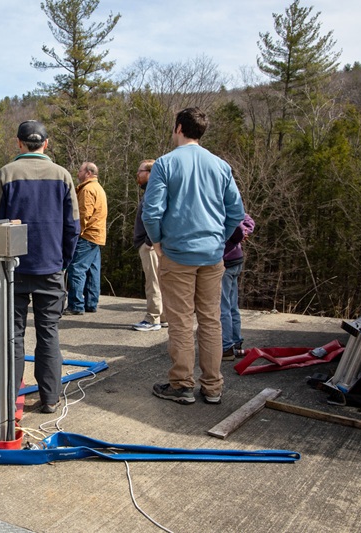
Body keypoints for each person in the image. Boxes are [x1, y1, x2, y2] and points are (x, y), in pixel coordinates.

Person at [142, 107, 245, 405]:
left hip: (177, 254)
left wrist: (158, 243)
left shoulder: (165, 164)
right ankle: (213, 387)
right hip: (212, 255)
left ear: (178, 128)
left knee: (181, 321)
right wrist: (219, 239)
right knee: (211, 320)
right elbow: (236, 212)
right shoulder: (220, 165)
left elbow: (152, 213)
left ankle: (182, 385)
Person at [0, 120, 80, 414]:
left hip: (12, 269)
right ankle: (50, 398)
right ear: (46, 144)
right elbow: (73, 226)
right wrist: (62, 261)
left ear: (19, 143)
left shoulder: (6, 174)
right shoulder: (63, 176)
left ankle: (7, 396)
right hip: (50, 267)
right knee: (49, 333)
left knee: (13, 335)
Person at [64, 162, 107, 315]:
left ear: (88, 173)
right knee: (92, 270)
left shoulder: (87, 190)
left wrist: (75, 234)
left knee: (76, 269)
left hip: (86, 235)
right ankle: (90, 303)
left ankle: (76, 305)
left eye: (80, 170)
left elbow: (83, 215)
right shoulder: (98, 188)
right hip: (96, 236)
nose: (78, 172)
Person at [131, 159, 167, 331]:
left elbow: (156, 217)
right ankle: (163, 316)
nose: (137, 175)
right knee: (159, 281)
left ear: (150, 173)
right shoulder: (155, 190)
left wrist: (149, 242)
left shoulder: (155, 191)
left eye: (140, 171)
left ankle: (153, 318)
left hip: (151, 245)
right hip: (152, 244)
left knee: (152, 281)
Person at [222, 213, 255, 360]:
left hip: (225, 261)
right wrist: (244, 232)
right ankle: (236, 343)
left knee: (222, 308)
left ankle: (226, 347)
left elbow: (240, 224)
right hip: (236, 259)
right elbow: (247, 220)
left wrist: (242, 233)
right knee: (232, 306)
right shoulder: (231, 203)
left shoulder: (220, 204)